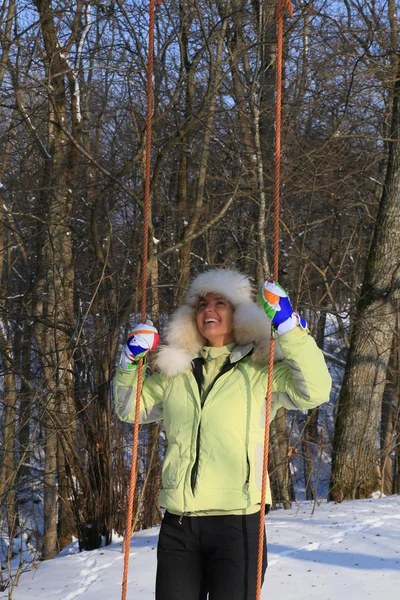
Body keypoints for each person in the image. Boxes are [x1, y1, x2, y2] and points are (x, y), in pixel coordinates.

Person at [114, 269, 331, 600]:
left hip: (238, 523)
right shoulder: (175, 370)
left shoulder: (260, 370)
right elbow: (129, 409)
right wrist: (129, 364)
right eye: (202, 304)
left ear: (240, 314)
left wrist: (289, 328)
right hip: (179, 525)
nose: (208, 310)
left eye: (220, 302)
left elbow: (315, 390)